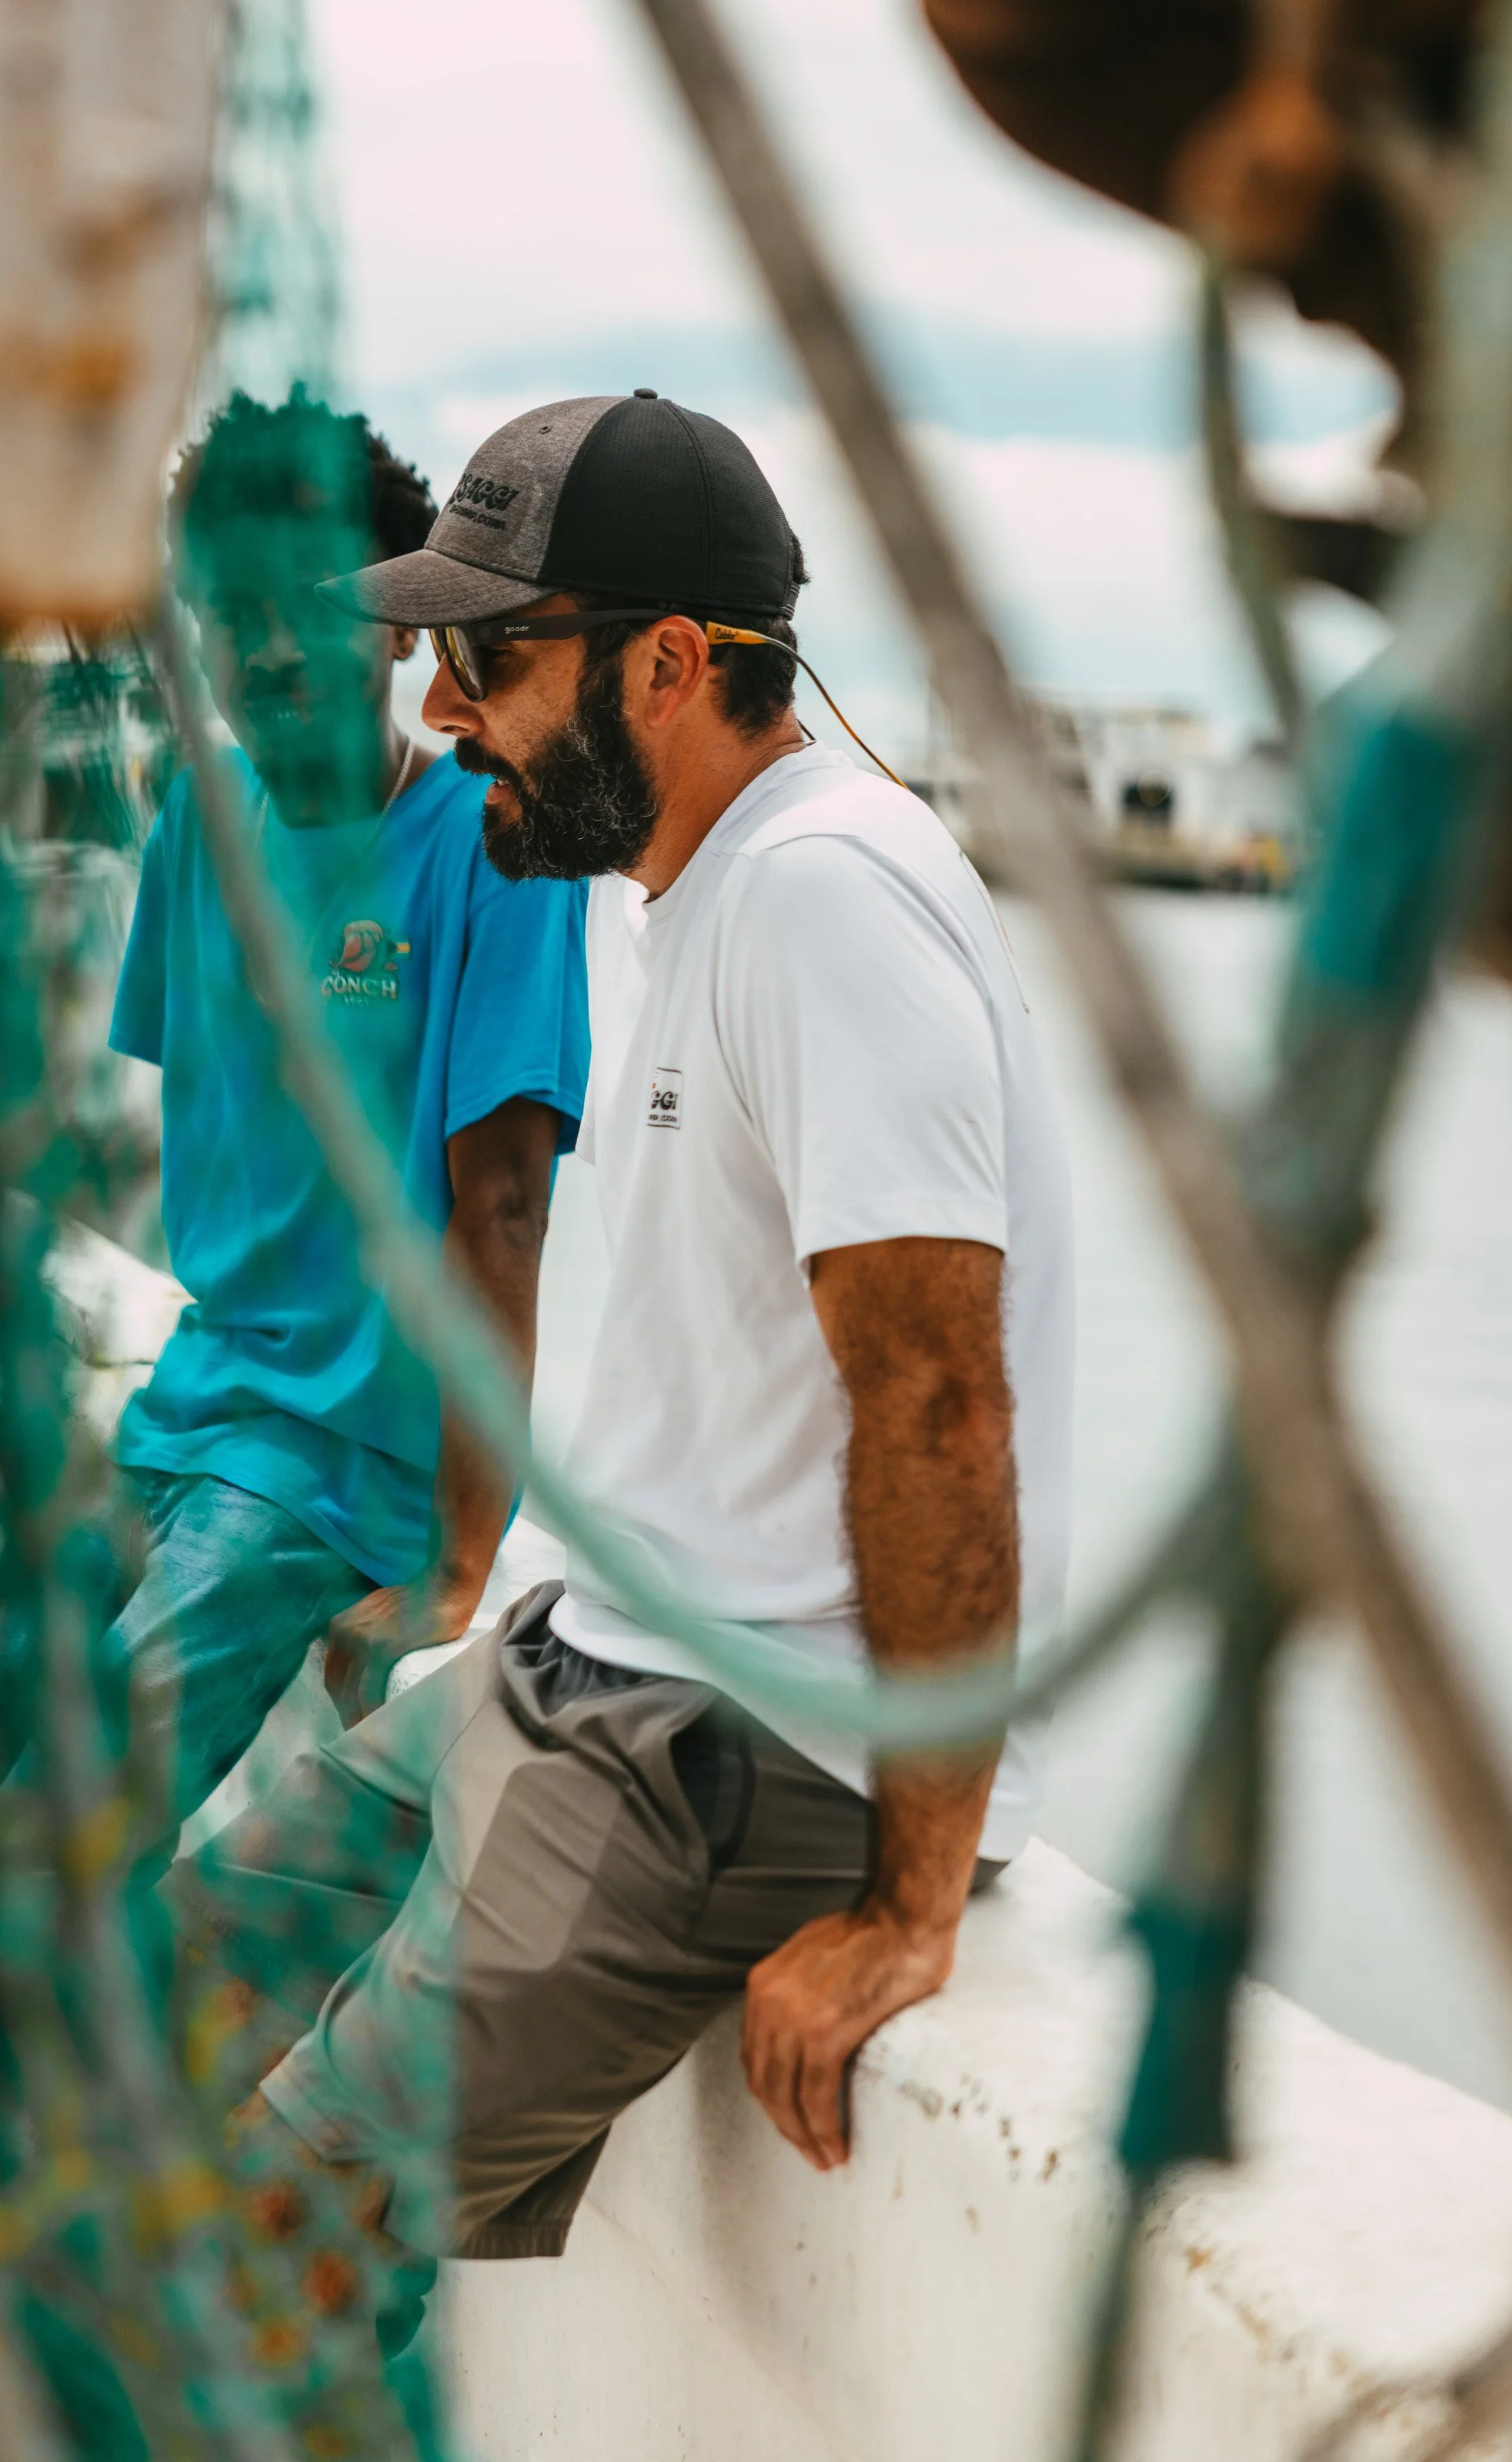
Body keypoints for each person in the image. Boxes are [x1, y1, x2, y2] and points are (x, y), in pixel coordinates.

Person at [174, 388, 1073, 2296]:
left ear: (666, 665)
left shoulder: (823, 898)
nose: (441, 710)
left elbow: (934, 1394)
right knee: (150, 1977)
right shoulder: (700, 890)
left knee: (263, 2234)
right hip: (582, 1658)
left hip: (727, 1751)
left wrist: (913, 1899)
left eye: (492, 659)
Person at [104, 387, 591, 1838]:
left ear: (398, 628)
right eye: (227, 611)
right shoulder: (197, 820)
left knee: (67, 1810)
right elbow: (215, 1154)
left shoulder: (494, 843)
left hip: (338, 1470)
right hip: (185, 1413)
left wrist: (460, 1563)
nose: (264, 649)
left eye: (310, 603)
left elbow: (505, 1214)